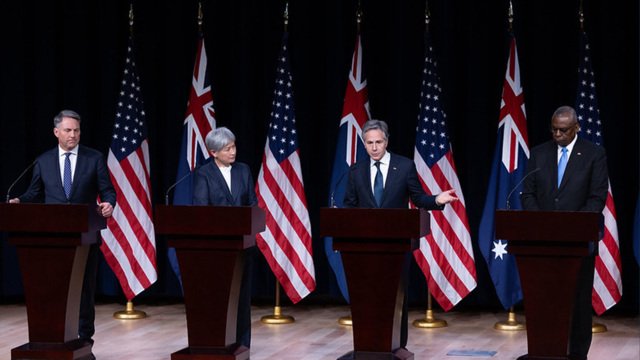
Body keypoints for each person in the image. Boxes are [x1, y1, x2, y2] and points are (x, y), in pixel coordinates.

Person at [342, 119, 458, 349]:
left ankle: (397, 347)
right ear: (363, 144)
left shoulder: (404, 166)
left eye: (378, 142)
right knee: (368, 299)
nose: (374, 148)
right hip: (364, 248)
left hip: (396, 246)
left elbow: (418, 198)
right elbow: (349, 206)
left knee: (395, 299)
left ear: (386, 141)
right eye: (369, 143)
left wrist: (436, 199)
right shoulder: (356, 171)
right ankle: (368, 348)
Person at [9, 109, 116, 358]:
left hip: (85, 237)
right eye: (68, 130)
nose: (73, 135)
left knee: (84, 290)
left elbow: (108, 191)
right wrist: (19, 202)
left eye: (77, 130)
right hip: (52, 240)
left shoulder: (94, 158)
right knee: (53, 289)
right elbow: (34, 194)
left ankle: (84, 341)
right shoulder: (43, 161)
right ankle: (54, 338)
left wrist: (109, 204)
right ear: (56, 132)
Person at [521, 105, 608, 360]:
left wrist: (570, 227)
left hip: (578, 244)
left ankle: (578, 354)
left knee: (578, 303)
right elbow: (528, 194)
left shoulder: (594, 154)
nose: (557, 134)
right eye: (554, 129)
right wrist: (543, 225)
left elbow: (596, 198)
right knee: (545, 301)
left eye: (563, 130)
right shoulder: (538, 154)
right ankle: (544, 351)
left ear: (576, 128)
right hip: (542, 245)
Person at [192, 126, 257, 348]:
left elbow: (252, 204)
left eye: (234, 146)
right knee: (218, 299)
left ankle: (243, 346)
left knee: (242, 298)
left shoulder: (244, 170)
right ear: (213, 152)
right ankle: (220, 343)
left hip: (243, 246)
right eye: (227, 148)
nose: (233, 152)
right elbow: (201, 210)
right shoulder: (203, 174)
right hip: (216, 249)